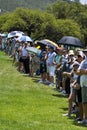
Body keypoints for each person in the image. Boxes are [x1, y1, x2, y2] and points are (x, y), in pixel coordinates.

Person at [77, 49, 87, 125]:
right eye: (85, 52)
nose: (85, 53)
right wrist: (83, 71)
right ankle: (85, 118)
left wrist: (82, 71)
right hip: (83, 84)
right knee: (84, 102)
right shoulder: (83, 62)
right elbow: (77, 72)